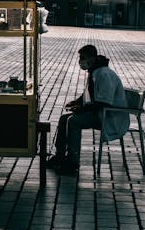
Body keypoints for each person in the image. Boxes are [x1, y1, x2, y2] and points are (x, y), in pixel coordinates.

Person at [48, 44, 129, 175]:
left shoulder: (104, 74)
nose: (80, 61)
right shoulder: (95, 72)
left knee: (74, 121)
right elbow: (90, 94)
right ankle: (60, 156)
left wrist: (81, 108)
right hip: (100, 112)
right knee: (64, 119)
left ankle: (73, 162)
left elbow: (103, 102)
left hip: (109, 116)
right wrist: (78, 102)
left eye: (83, 57)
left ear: (92, 58)